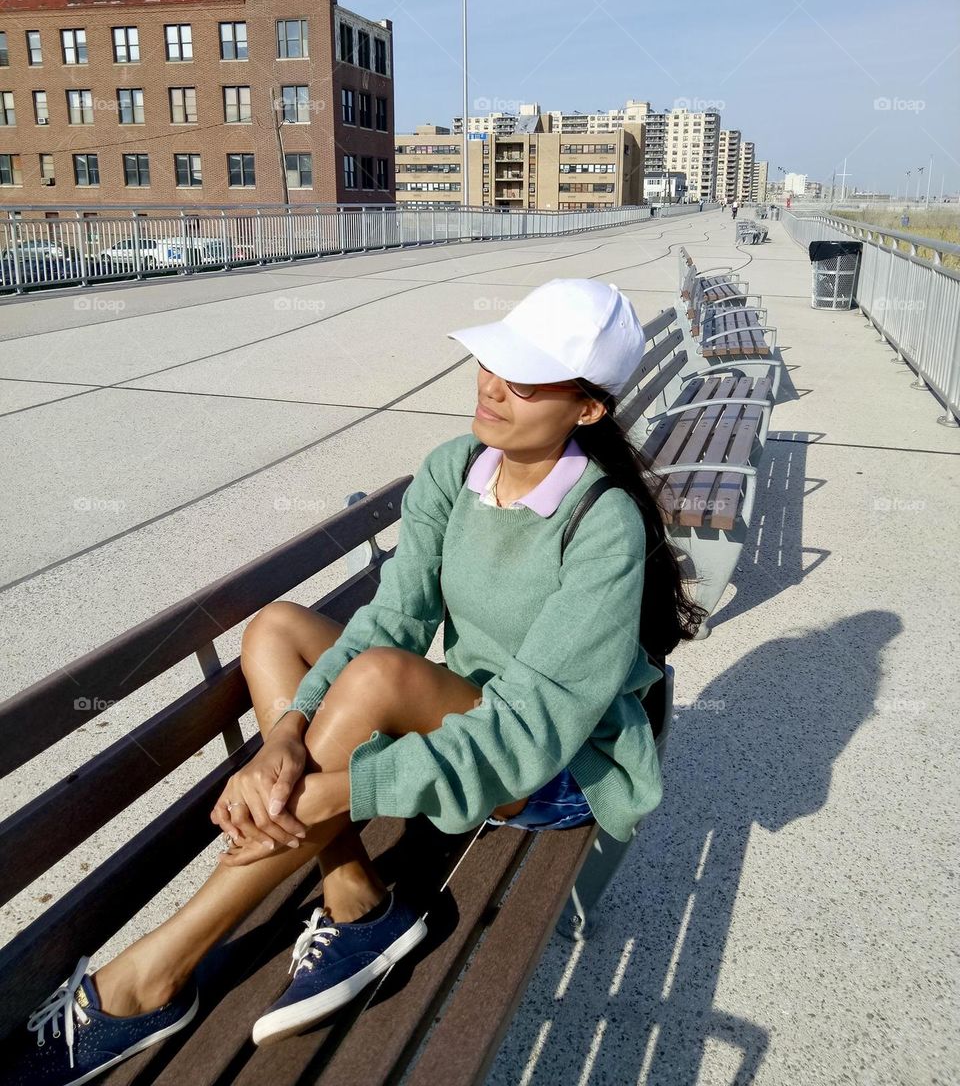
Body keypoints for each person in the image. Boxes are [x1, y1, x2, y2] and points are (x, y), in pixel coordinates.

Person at [4, 279, 704, 1084]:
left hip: (549, 763)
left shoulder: (602, 522)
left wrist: (349, 788)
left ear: (588, 410)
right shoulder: (455, 469)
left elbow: (529, 731)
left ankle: (152, 973)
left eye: (525, 379)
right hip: (454, 713)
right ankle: (352, 893)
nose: (491, 387)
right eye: (493, 362)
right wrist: (289, 737)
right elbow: (393, 619)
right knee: (274, 628)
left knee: (376, 679)